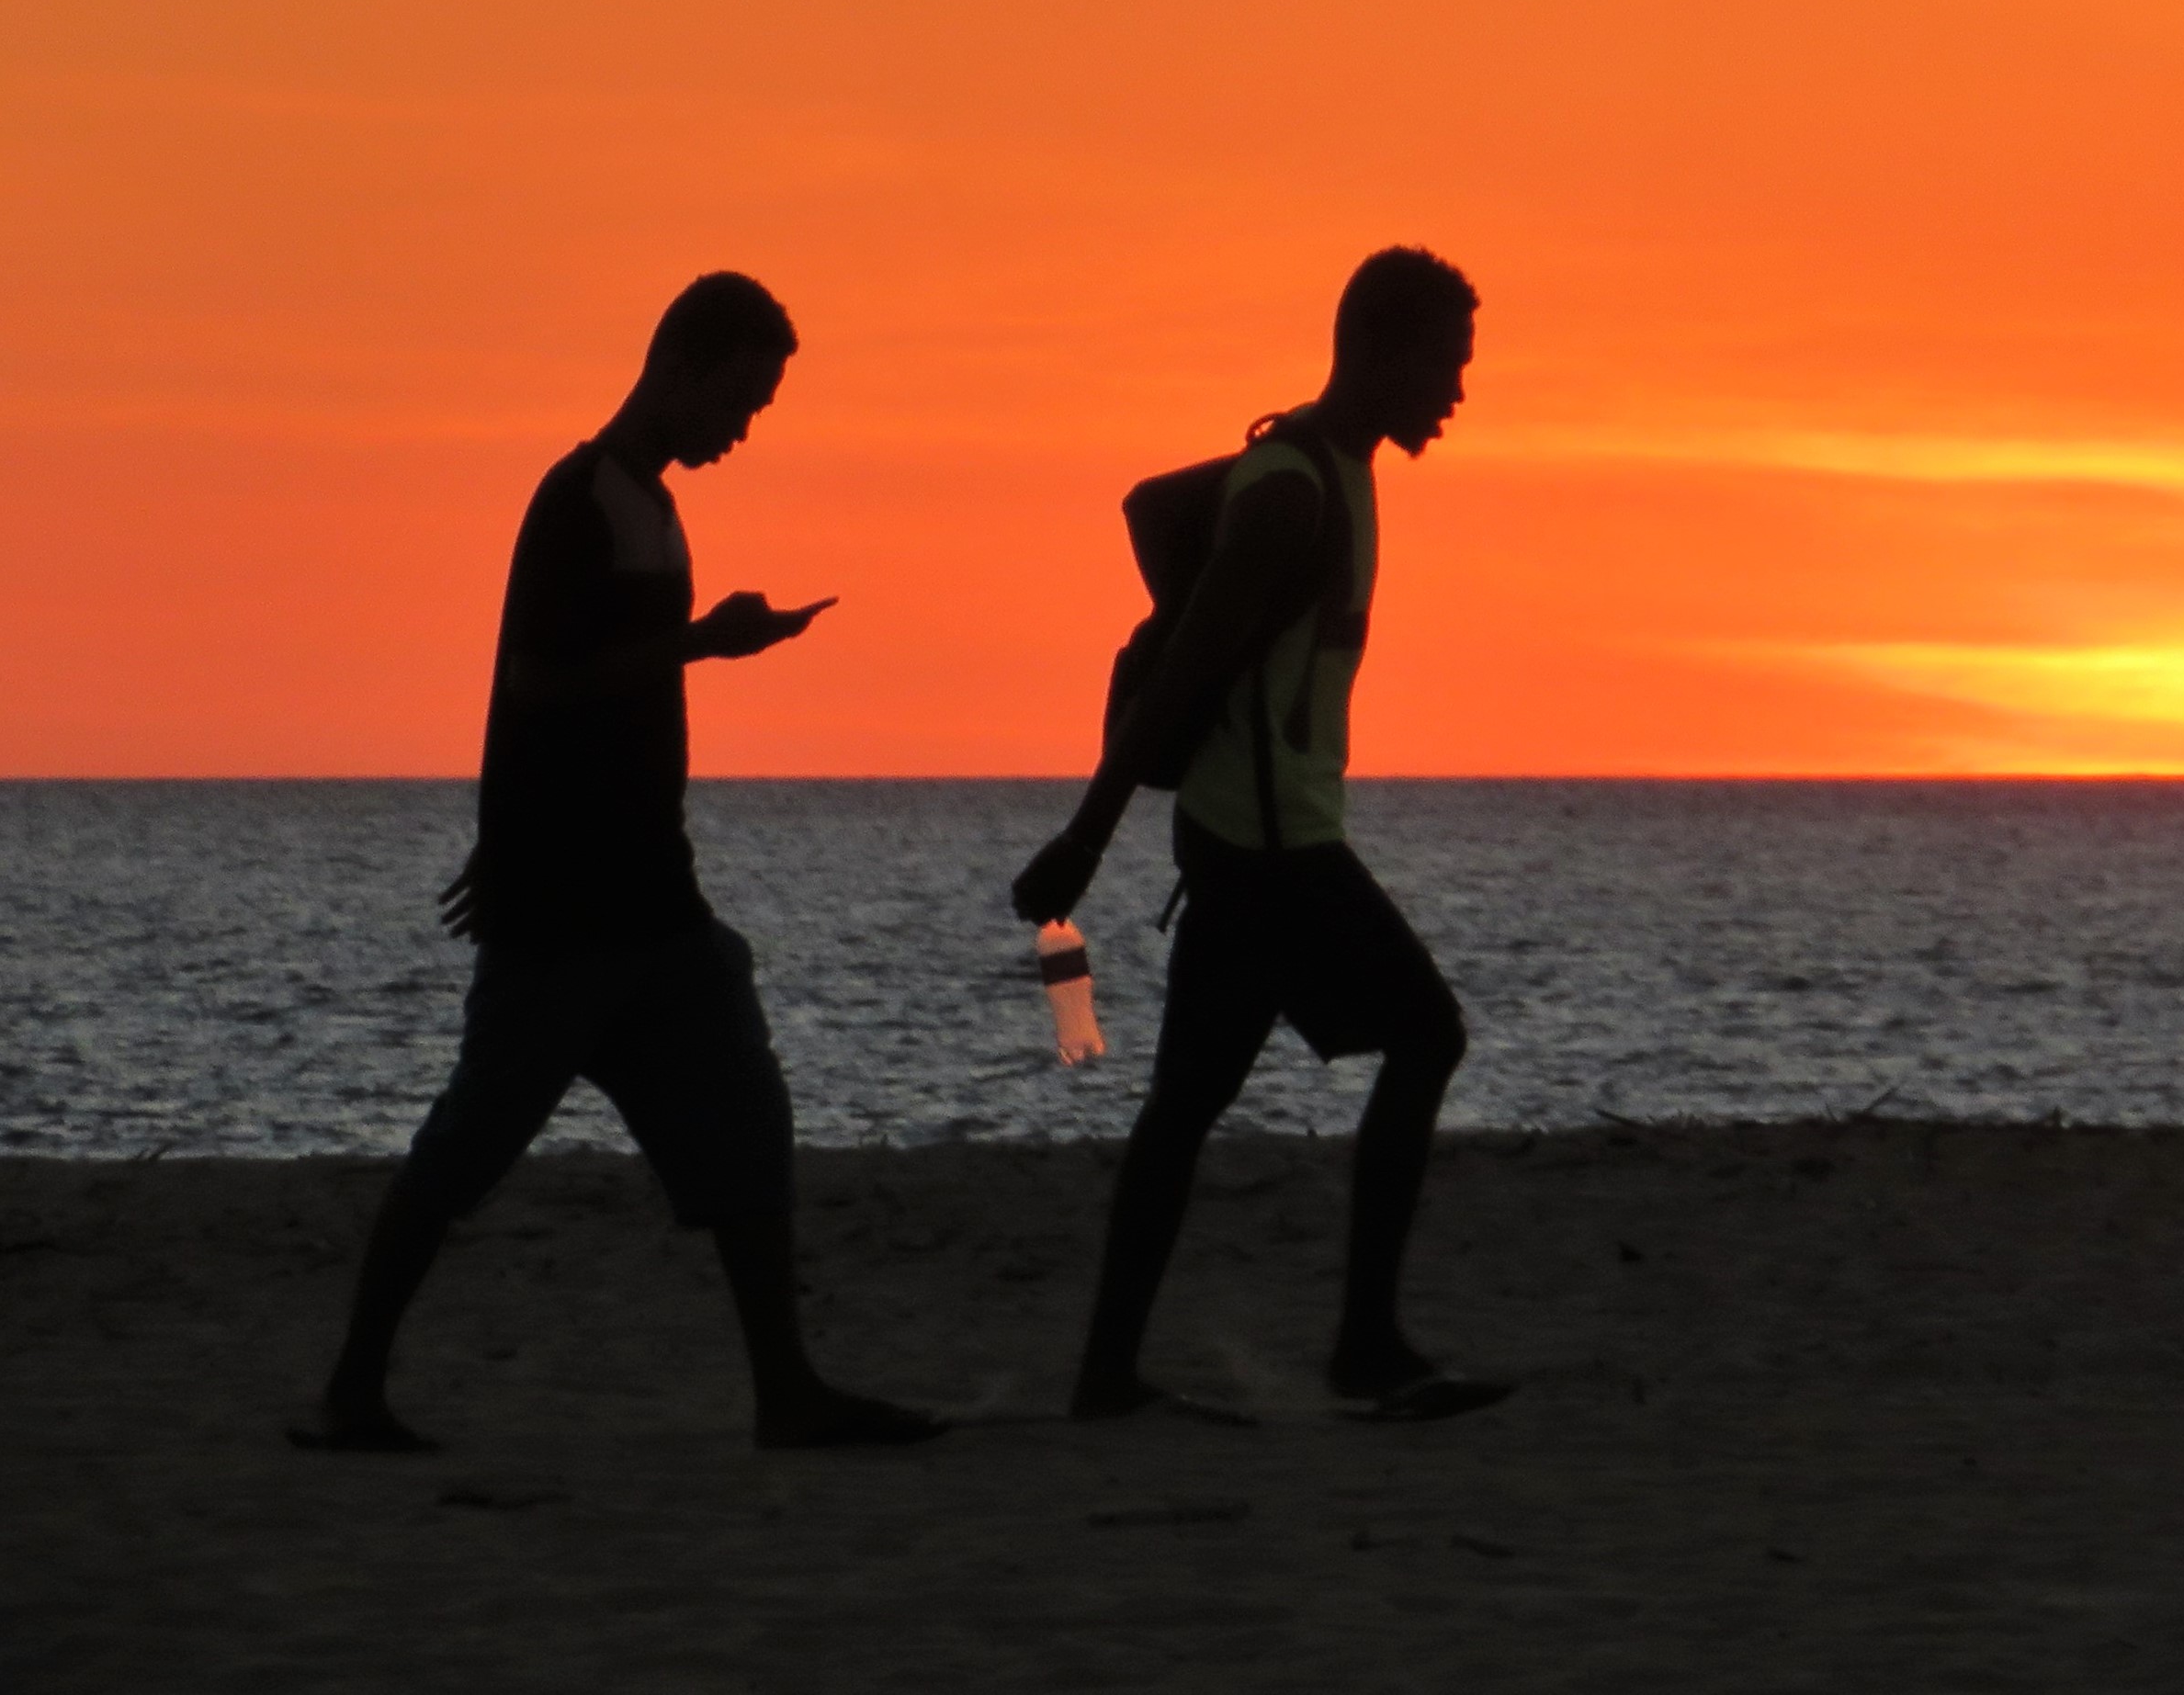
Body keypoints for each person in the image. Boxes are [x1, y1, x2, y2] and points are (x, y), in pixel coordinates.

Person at [298, 271, 935, 1452]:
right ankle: (350, 1392)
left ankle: (785, 1390)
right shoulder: (576, 499)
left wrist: (691, 651)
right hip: (565, 922)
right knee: (465, 1148)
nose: (742, 431)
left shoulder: (655, 506)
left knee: (747, 1119)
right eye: (738, 401)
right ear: (679, 367)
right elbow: (535, 684)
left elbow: (593, 689)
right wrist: (700, 644)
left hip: (654, 903)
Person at [1011, 245, 1499, 1424]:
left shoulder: (1319, 464)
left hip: (1252, 848)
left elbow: (1153, 506)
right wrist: (1085, 838)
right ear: (1378, 352)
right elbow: (1179, 678)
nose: (1456, 393)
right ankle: (1365, 1349)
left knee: (1183, 1106)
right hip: (1268, 854)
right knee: (1426, 1034)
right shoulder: (1291, 493)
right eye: (1444, 366)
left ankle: (1107, 1375)